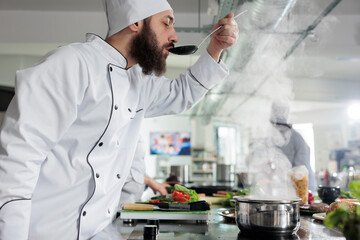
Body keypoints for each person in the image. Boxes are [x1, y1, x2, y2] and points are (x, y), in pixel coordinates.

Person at [0, 0, 239, 239]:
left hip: (100, 232)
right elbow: (16, 163)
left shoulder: (139, 81)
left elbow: (182, 93)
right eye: (166, 24)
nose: (174, 36)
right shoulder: (70, 64)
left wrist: (215, 48)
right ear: (134, 22)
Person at [271, 100, 317, 193]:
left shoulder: (296, 139)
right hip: (290, 189)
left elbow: (300, 171)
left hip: (305, 189)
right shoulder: (274, 138)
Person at [118, 137, 169, 213]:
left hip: (133, 203)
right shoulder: (121, 135)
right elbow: (118, 173)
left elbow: (137, 166)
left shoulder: (135, 131)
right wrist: (148, 181)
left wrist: (155, 183)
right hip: (120, 205)